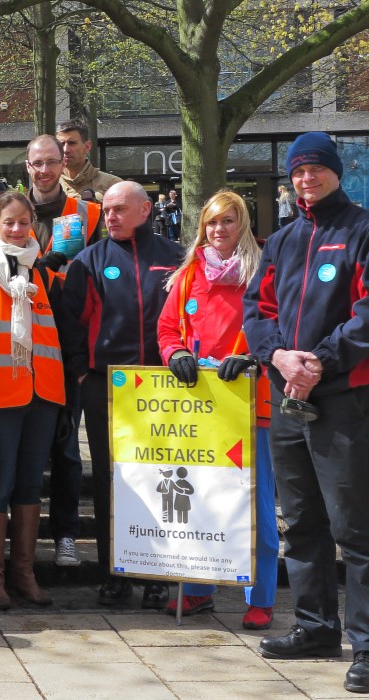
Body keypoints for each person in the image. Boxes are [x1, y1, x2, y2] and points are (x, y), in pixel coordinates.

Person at [243, 132, 369, 692]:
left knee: (356, 529)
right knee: (303, 523)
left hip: (345, 398)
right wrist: (275, 354)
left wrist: (317, 361)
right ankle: (317, 626)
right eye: (298, 171)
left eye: (316, 168)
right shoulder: (285, 238)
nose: (306, 178)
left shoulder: (361, 230)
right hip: (287, 398)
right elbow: (257, 308)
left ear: (335, 172)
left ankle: (366, 647)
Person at [157, 191, 277, 628]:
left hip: (252, 404)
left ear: (241, 224)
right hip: (201, 407)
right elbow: (169, 328)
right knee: (202, 501)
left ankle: (261, 597)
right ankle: (199, 591)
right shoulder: (189, 274)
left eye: (228, 221)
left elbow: (276, 323)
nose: (219, 230)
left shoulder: (261, 270)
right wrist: (174, 355)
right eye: (211, 223)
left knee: (257, 507)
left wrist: (255, 356)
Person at [61, 181, 182, 608]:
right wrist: (80, 373)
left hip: (165, 388)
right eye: (106, 210)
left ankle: (157, 576)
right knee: (114, 483)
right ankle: (114, 573)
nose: (110, 216)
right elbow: (70, 322)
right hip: (107, 387)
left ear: (146, 210)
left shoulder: (175, 258)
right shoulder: (89, 260)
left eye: (119, 209)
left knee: (160, 481)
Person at [0, 191, 65, 609]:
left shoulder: (48, 278)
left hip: (44, 395)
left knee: (30, 486)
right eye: (9, 223)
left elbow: (64, 340)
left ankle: (24, 572)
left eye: (24, 223)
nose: (18, 230)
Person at [24, 134, 103, 569]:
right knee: (23, 455)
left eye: (52, 162)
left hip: (69, 348)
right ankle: (24, 539)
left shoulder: (88, 215)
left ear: (64, 162)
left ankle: (67, 534)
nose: (45, 170)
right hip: (20, 350)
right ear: (28, 168)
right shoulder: (9, 213)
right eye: (37, 163)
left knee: (68, 452)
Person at [55, 118, 123, 200]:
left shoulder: (113, 185)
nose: (66, 150)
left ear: (87, 146)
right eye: (61, 144)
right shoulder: (48, 185)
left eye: (72, 143)